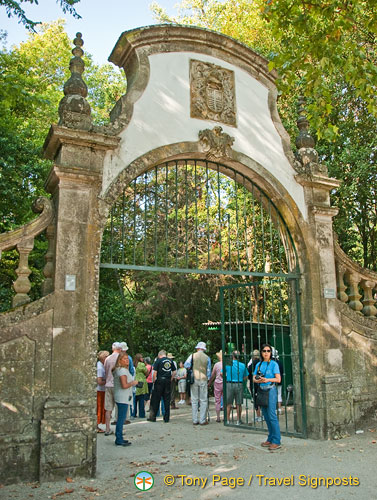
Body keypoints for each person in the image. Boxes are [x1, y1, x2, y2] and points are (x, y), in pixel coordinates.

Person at [253, 343, 281, 451]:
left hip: (271, 390)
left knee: (272, 415)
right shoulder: (259, 364)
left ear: (271, 353)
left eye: (268, 351)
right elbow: (254, 378)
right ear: (261, 352)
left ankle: (277, 440)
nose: (266, 353)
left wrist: (268, 380)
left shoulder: (274, 364)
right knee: (266, 415)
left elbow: (278, 379)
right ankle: (270, 438)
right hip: (261, 390)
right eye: (264, 351)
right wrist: (258, 380)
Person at [112, 352, 138, 446]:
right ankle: (119, 438)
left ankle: (120, 437)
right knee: (121, 418)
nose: (127, 361)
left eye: (127, 359)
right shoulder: (122, 371)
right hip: (122, 396)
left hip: (122, 396)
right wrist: (133, 383)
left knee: (121, 417)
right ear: (120, 360)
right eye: (124, 359)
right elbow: (124, 385)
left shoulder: (119, 370)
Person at [184, 341, 211, 426]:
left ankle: (195, 420)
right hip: (203, 379)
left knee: (194, 399)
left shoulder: (192, 356)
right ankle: (202, 420)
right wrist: (208, 379)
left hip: (194, 379)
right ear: (204, 349)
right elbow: (208, 371)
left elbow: (186, 365)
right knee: (203, 400)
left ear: (198, 348)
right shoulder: (207, 358)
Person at [148, 350, 176, 423]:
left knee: (156, 399)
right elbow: (174, 371)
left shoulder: (158, 361)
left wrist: (154, 380)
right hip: (167, 381)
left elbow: (155, 372)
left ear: (159, 355)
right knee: (167, 399)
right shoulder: (170, 361)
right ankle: (166, 418)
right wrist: (171, 378)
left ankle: (153, 417)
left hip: (159, 381)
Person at [104, 342, 122, 436]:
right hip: (118, 385)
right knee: (119, 408)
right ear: (120, 349)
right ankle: (119, 430)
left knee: (108, 408)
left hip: (108, 385)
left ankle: (107, 429)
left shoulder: (107, 359)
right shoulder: (120, 358)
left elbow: (105, 371)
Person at [226, 351, 248, 425]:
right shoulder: (242, 365)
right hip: (239, 384)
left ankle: (228, 420)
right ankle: (238, 420)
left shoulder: (228, 364)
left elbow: (222, 373)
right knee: (238, 403)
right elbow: (246, 377)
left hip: (229, 384)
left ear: (232, 356)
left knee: (228, 403)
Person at [247, 349, 263, 422]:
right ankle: (264, 415)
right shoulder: (262, 363)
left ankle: (258, 415)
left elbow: (248, 375)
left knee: (256, 399)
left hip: (254, 383)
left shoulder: (251, 365)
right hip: (262, 382)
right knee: (263, 398)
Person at [208, 350, 223, 422]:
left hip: (217, 383)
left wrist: (209, 383)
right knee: (226, 400)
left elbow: (213, 375)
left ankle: (218, 417)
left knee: (217, 400)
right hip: (225, 383)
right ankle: (226, 417)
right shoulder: (228, 364)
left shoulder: (216, 365)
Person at [96, 350, 109, 432]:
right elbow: (99, 382)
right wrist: (108, 381)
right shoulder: (100, 367)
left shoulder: (102, 365)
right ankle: (96, 426)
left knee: (100, 408)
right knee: (99, 408)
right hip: (100, 390)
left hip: (102, 390)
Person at [132, 353, 148, 418]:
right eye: (141, 357)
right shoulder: (141, 364)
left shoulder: (133, 364)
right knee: (141, 398)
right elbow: (146, 372)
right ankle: (141, 414)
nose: (142, 358)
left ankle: (133, 413)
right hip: (141, 381)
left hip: (134, 381)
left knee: (134, 399)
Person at [271, 347, 284, 414]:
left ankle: (273, 409)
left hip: (271, 381)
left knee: (272, 395)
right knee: (279, 394)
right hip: (278, 380)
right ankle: (279, 408)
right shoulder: (279, 362)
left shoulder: (270, 362)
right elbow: (282, 371)